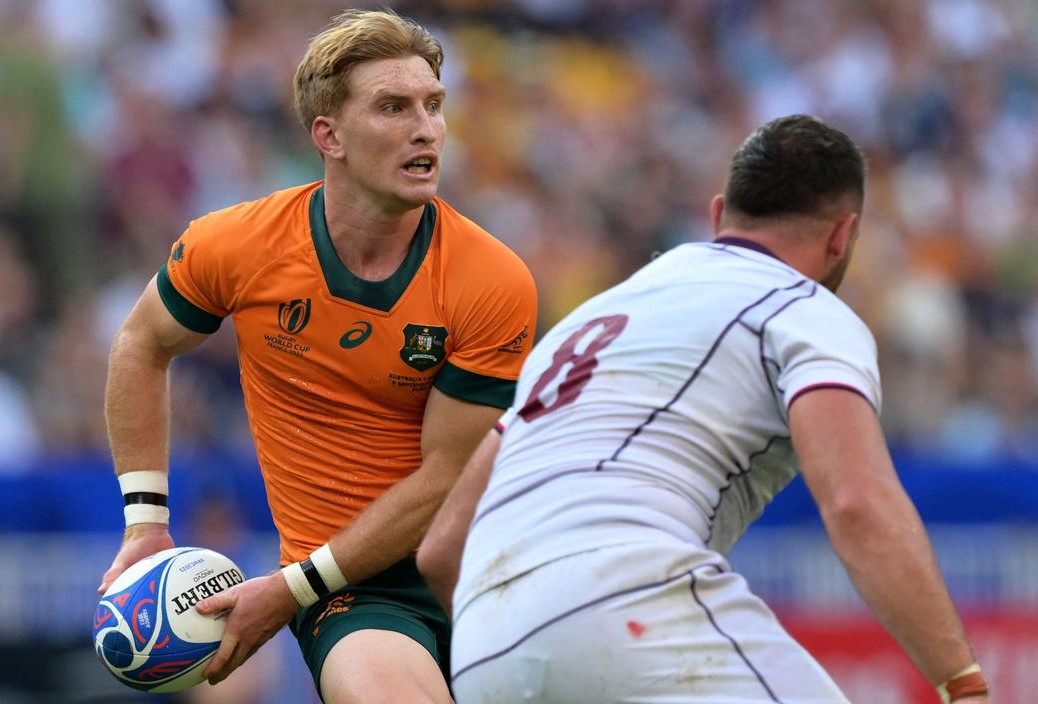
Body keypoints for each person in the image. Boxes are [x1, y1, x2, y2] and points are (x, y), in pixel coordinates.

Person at [418, 115, 989, 704]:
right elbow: (857, 504)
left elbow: (442, 547)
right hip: (625, 599)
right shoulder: (802, 306)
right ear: (842, 236)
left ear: (720, 216)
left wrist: (522, 637)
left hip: (485, 646)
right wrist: (963, 682)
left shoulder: (582, 325)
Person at [99, 9, 537, 704]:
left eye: (433, 105)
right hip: (355, 591)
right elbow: (141, 343)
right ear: (327, 135)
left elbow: (446, 477)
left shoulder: (492, 279)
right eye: (393, 107)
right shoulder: (235, 246)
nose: (426, 128)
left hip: (501, 564)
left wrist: (283, 590)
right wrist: (146, 521)